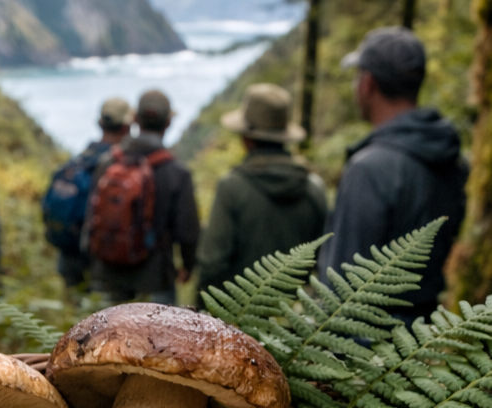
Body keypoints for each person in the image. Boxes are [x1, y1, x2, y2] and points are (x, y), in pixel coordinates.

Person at [318, 26, 468, 322]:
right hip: (422, 343)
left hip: (368, 355)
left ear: (367, 84)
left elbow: (340, 294)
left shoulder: (368, 169)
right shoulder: (455, 161)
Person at [197, 83, 327, 295]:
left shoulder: (232, 186)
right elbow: (322, 259)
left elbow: (212, 263)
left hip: (238, 318)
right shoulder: (314, 186)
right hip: (295, 320)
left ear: (246, 138)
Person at [86, 90, 199, 305]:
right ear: (168, 124)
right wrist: (188, 266)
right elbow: (188, 231)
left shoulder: (109, 161)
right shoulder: (176, 172)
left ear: (135, 119)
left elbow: (91, 216)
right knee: (157, 338)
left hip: (108, 273)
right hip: (155, 278)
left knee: (108, 337)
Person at [47, 98, 133, 289]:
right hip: (99, 261)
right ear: (127, 128)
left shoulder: (79, 160)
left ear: (100, 124)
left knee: (72, 314)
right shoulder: (120, 167)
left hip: (68, 254)